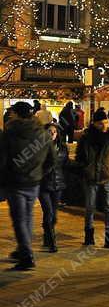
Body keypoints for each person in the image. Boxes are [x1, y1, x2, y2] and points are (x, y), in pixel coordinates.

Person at [1, 102, 56, 270]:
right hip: (34, 183)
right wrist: (38, 173)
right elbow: (51, 160)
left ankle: (26, 256)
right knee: (28, 216)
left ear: (17, 114)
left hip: (15, 182)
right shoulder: (43, 134)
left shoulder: (9, 133)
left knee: (19, 219)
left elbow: (2, 161)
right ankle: (23, 248)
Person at [75, 108, 109, 248]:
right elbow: (80, 156)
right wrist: (85, 168)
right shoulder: (86, 138)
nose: (105, 126)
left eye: (106, 122)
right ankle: (89, 236)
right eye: (101, 123)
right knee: (90, 207)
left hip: (108, 177)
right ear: (94, 124)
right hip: (90, 177)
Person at [40, 122, 68, 253]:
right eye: (49, 132)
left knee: (53, 215)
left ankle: (47, 236)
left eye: (54, 132)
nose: (52, 134)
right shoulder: (39, 148)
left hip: (58, 184)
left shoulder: (62, 148)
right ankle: (52, 242)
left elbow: (66, 165)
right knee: (48, 212)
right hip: (44, 185)